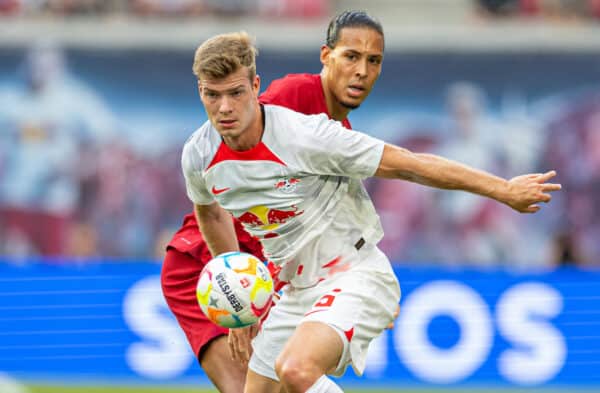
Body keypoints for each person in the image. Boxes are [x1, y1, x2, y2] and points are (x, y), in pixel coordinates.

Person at [182, 32, 561, 393]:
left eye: (235, 93)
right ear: (200, 92)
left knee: (296, 370)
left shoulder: (306, 136)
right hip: (295, 290)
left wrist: (504, 189)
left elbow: (410, 164)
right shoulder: (198, 155)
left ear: (255, 86)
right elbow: (211, 214)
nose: (225, 107)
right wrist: (236, 290)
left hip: (355, 274)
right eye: (212, 95)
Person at [161, 10, 388, 393]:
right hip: (212, 261)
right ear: (326, 56)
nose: (360, 71)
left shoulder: (337, 132)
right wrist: (239, 293)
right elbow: (237, 173)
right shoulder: (291, 98)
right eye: (351, 57)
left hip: (271, 270)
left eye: (373, 61)